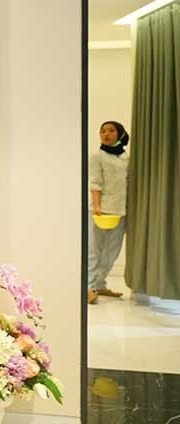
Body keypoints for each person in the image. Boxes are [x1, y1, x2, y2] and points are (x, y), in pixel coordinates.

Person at [87, 120, 129, 304]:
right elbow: (95, 182)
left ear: (119, 134)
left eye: (111, 130)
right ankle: (88, 287)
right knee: (94, 250)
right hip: (100, 211)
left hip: (120, 211)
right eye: (103, 131)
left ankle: (100, 284)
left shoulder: (126, 158)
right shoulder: (97, 156)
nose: (106, 134)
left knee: (112, 252)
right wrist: (97, 206)